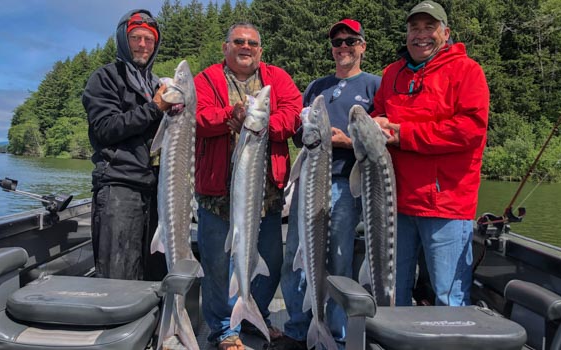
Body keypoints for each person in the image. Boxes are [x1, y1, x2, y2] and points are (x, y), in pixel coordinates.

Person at [370, 1, 489, 307]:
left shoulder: (467, 71)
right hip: (395, 203)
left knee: (449, 296)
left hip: (446, 203)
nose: (420, 35)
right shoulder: (392, 73)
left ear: (445, 33)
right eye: (414, 28)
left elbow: (469, 129)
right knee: (391, 292)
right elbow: (380, 116)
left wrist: (401, 133)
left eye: (429, 27)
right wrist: (373, 125)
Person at [193, 22, 302, 350]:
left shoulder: (277, 79)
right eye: (238, 41)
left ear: (260, 50)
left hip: (264, 195)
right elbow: (197, 117)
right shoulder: (207, 79)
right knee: (216, 262)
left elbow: (293, 115)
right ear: (225, 47)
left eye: (252, 43)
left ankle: (256, 315)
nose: (245, 47)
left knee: (268, 259)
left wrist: (260, 122)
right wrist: (230, 114)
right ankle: (224, 329)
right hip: (216, 193)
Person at [273, 19, 381, 350]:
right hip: (309, 182)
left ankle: (334, 334)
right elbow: (298, 133)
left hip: (346, 186)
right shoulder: (316, 87)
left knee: (339, 259)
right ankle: (296, 328)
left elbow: (381, 140)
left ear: (363, 46)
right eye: (337, 42)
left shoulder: (374, 86)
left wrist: (348, 142)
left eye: (350, 41)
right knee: (296, 255)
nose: (343, 47)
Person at [82, 9, 172, 280]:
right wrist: (155, 108)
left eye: (149, 40)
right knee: (118, 277)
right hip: (119, 188)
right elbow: (105, 129)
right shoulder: (106, 78)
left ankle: (154, 323)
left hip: (156, 190)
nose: (143, 45)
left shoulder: (156, 84)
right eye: (136, 38)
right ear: (123, 39)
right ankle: (113, 323)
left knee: (155, 275)